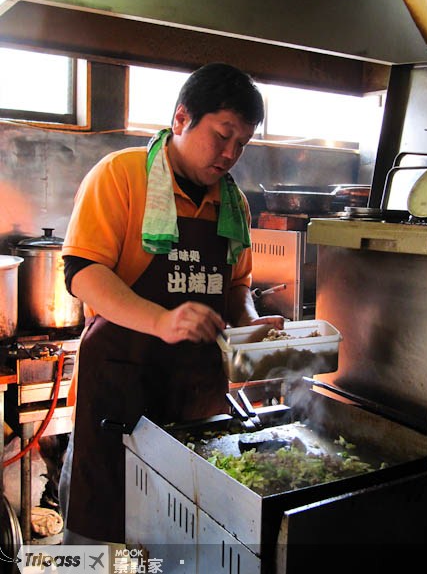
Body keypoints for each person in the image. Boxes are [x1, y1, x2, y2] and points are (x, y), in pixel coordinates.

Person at [58, 62, 284, 545]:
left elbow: (235, 287)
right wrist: (161, 319)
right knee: (102, 537)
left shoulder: (234, 204)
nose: (230, 154)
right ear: (181, 118)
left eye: (241, 143)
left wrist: (249, 327)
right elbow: (83, 273)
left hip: (195, 398)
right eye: (222, 135)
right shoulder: (122, 176)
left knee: (178, 540)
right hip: (119, 393)